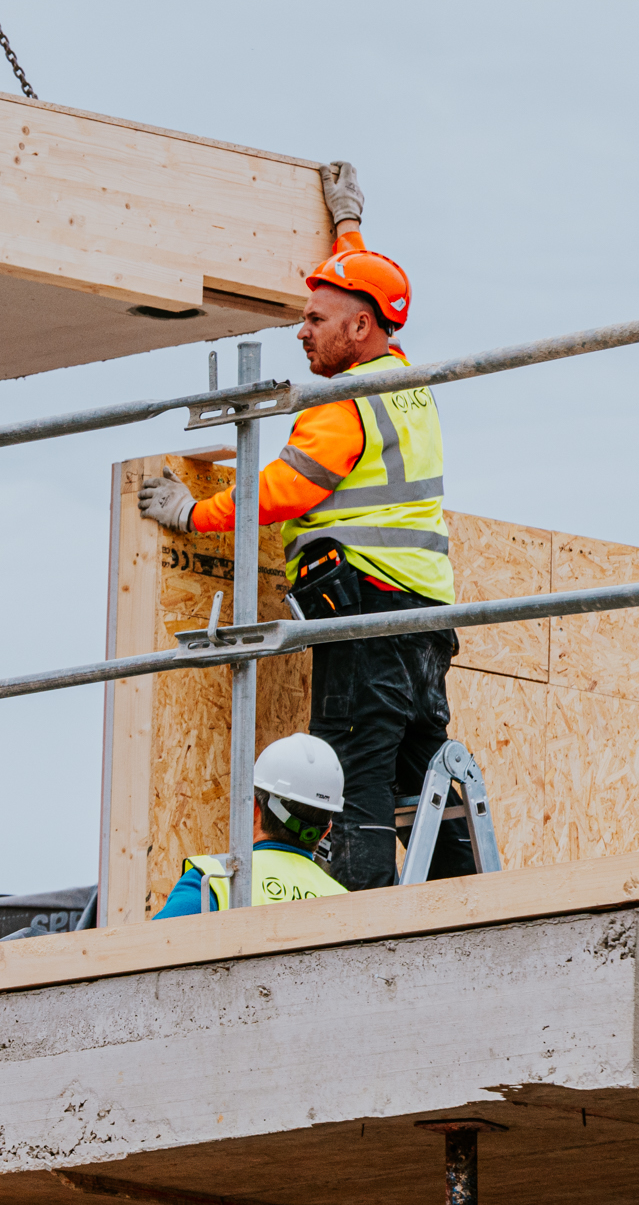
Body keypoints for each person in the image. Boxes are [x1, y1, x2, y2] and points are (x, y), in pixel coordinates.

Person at [137, 162, 473, 891]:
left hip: (368, 626)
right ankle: (473, 909)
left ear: (358, 328)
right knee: (427, 789)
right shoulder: (403, 383)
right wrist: (347, 221)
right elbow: (366, 288)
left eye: (315, 320)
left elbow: (286, 489)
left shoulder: (340, 404)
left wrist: (193, 512)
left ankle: (359, 940)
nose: (301, 330)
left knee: (353, 785)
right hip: (424, 622)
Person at [152, 734, 350, 917]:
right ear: (326, 831)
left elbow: (153, 948)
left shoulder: (213, 880)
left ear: (254, 807)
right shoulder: (347, 902)